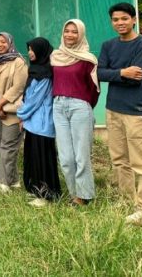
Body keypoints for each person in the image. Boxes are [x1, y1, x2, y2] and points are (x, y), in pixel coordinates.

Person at [97, 2, 142, 225]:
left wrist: (115, 74)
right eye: (115, 19)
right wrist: (122, 72)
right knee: (120, 159)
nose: (120, 23)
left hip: (136, 110)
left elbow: (137, 77)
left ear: (133, 20)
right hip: (113, 109)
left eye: (124, 18)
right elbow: (99, 73)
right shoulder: (108, 45)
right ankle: (126, 200)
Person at [51, 19, 99, 206]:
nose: (70, 35)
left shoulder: (88, 59)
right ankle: (73, 193)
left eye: (74, 32)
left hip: (80, 107)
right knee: (65, 157)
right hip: (58, 106)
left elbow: (94, 89)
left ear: (81, 34)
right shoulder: (55, 56)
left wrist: (84, 105)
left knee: (81, 155)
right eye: (67, 31)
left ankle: (84, 195)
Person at [17, 37, 61, 206]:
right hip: (33, 123)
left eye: (32, 49)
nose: (29, 53)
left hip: (42, 123)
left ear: (42, 51)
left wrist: (21, 115)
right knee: (34, 157)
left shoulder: (45, 73)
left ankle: (47, 194)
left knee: (43, 159)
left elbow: (34, 99)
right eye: (28, 49)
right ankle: (36, 189)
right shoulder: (36, 70)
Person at [0, 32, 28, 193]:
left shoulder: (19, 62)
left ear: (10, 43)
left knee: (8, 147)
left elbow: (18, 87)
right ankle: (14, 180)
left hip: (12, 111)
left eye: (3, 42)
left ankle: (3, 183)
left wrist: (1, 104)